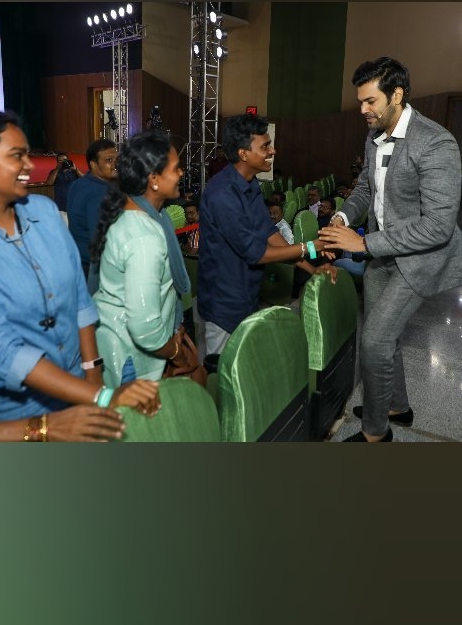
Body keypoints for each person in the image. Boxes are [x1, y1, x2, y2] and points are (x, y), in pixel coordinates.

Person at [0, 110, 160, 427]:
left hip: (71, 394)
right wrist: (100, 397)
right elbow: (0, 353)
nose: (30, 165)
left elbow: (79, 299)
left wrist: (93, 374)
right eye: (16, 156)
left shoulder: (45, 212)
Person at [319, 56, 462, 442]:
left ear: (396, 95)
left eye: (370, 101)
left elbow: (437, 226)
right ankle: (397, 406)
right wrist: (344, 220)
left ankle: (375, 435)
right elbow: (366, 187)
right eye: (360, 102)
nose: (362, 110)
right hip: (383, 251)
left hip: (420, 258)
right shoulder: (373, 135)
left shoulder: (436, 143)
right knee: (385, 336)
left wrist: (363, 242)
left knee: (376, 340)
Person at [197, 114, 337, 357]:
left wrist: (311, 267)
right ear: (243, 154)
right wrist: (309, 246)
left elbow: (271, 235)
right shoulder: (222, 194)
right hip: (224, 304)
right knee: (222, 375)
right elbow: (257, 253)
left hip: (247, 294)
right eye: (265, 146)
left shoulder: (249, 183)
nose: (273, 150)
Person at [91, 131, 199, 389]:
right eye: (176, 169)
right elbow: (145, 329)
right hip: (129, 356)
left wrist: (174, 326)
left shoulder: (136, 213)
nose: (181, 173)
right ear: (153, 179)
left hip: (119, 342)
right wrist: (176, 352)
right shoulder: (144, 237)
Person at [67, 139, 118, 287]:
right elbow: (101, 238)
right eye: (109, 160)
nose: (115, 164)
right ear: (94, 165)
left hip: (78, 261)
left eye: (116, 159)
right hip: (94, 268)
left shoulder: (79, 183)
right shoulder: (100, 192)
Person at [45, 151, 83, 224]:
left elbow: (85, 180)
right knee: (65, 229)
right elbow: (49, 182)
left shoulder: (74, 172)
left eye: (64, 160)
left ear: (68, 160)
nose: (63, 163)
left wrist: (76, 170)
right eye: (60, 161)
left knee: (75, 229)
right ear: (57, 162)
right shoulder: (54, 172)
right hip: (61, 206)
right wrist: (57, 169)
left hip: (74, 205)